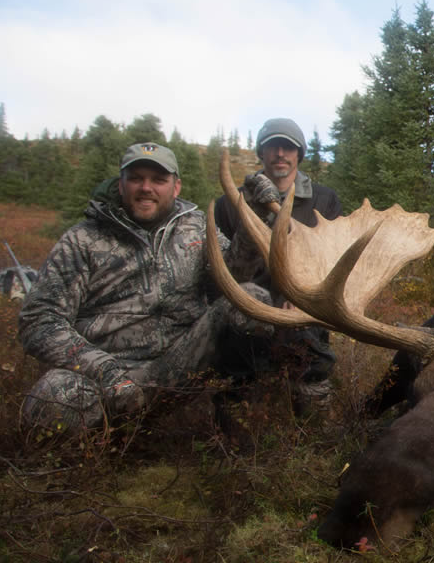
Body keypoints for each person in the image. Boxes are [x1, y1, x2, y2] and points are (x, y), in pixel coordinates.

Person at [19, 142, 272, 431]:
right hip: (104, 376)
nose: (146, 188)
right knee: (53, 402)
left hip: (180, 365)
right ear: (121, 184)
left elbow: (234, 278)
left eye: (158, 180)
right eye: (136, 178)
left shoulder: (197, 228)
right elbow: (39, 319)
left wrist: (254, 217)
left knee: (254, 299)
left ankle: (239, 413)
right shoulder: (83, 240)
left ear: (176, 187)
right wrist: (106, 372)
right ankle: (103, 451)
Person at [212, 118, 343, 404]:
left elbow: (331, 256)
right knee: (239, 389)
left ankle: (311, 402)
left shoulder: (324, 200)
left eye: (288, 147)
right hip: (247, 305)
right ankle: (242, 405)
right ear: (261, 152)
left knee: (312, 389)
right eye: (273, 147)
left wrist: (299, 294)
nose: (280, 154)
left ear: (299, 154)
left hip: (303, 303)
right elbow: (222, 268)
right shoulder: (229, 203)